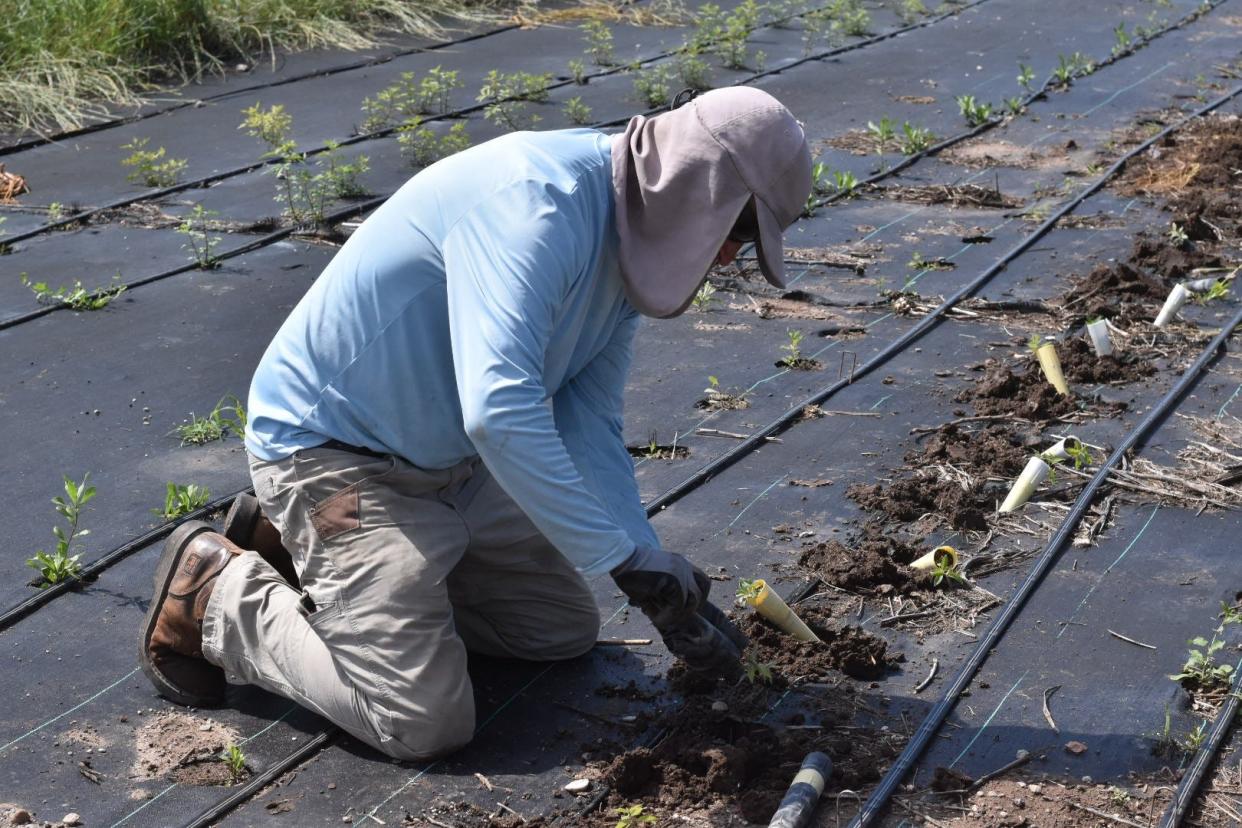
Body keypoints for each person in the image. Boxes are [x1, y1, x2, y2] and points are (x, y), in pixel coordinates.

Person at [139, 86, 811, 760]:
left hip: (446, 464)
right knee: (420, 720)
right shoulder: (534, 203)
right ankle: (217, 594)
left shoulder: (631, 238)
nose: (730, 258)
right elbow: (499, 410)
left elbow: (589, 419)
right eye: (740, 231)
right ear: (698, 185)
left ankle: (318, 561)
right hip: (334, 460)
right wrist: (621, 560)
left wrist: (646, 562)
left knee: (558, 631)